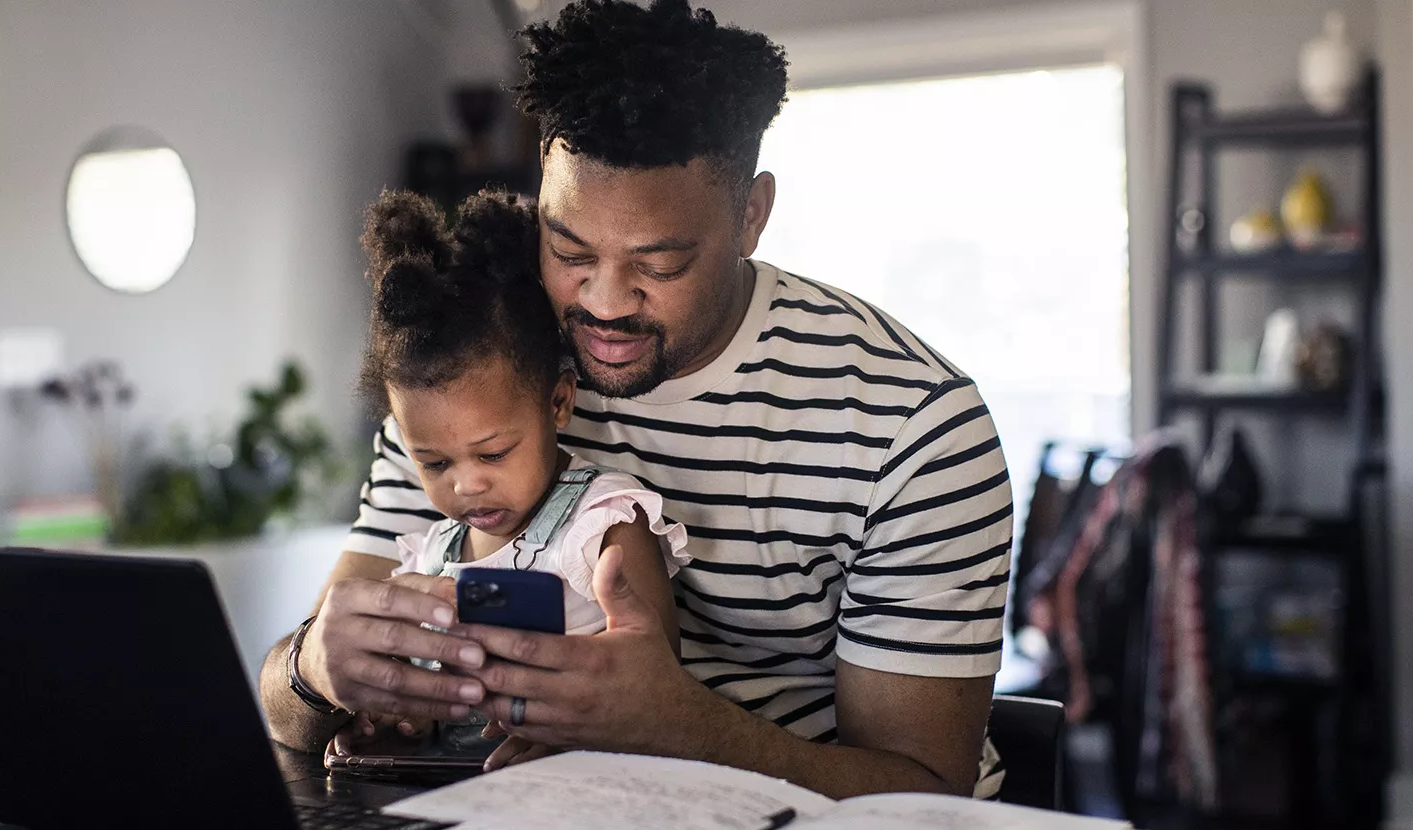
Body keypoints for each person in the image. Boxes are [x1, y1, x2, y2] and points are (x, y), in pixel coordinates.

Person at [261, 0, 1014, 800]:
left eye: (660, 263)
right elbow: (287, 713)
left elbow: (925, 797)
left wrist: (678, 728)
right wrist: (316, 668)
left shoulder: (911, 427)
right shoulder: (480, 371)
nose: (607, 303)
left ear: (751, 215)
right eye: (569, 249)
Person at [337, 188, 689, 767]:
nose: (466, 485)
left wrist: (578, 730)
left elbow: (655, 690)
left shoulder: (603, 526)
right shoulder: (430, 556)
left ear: (557, 403)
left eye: (494, 453)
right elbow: (412, 686)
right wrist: (392, 712)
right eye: (435, 463)